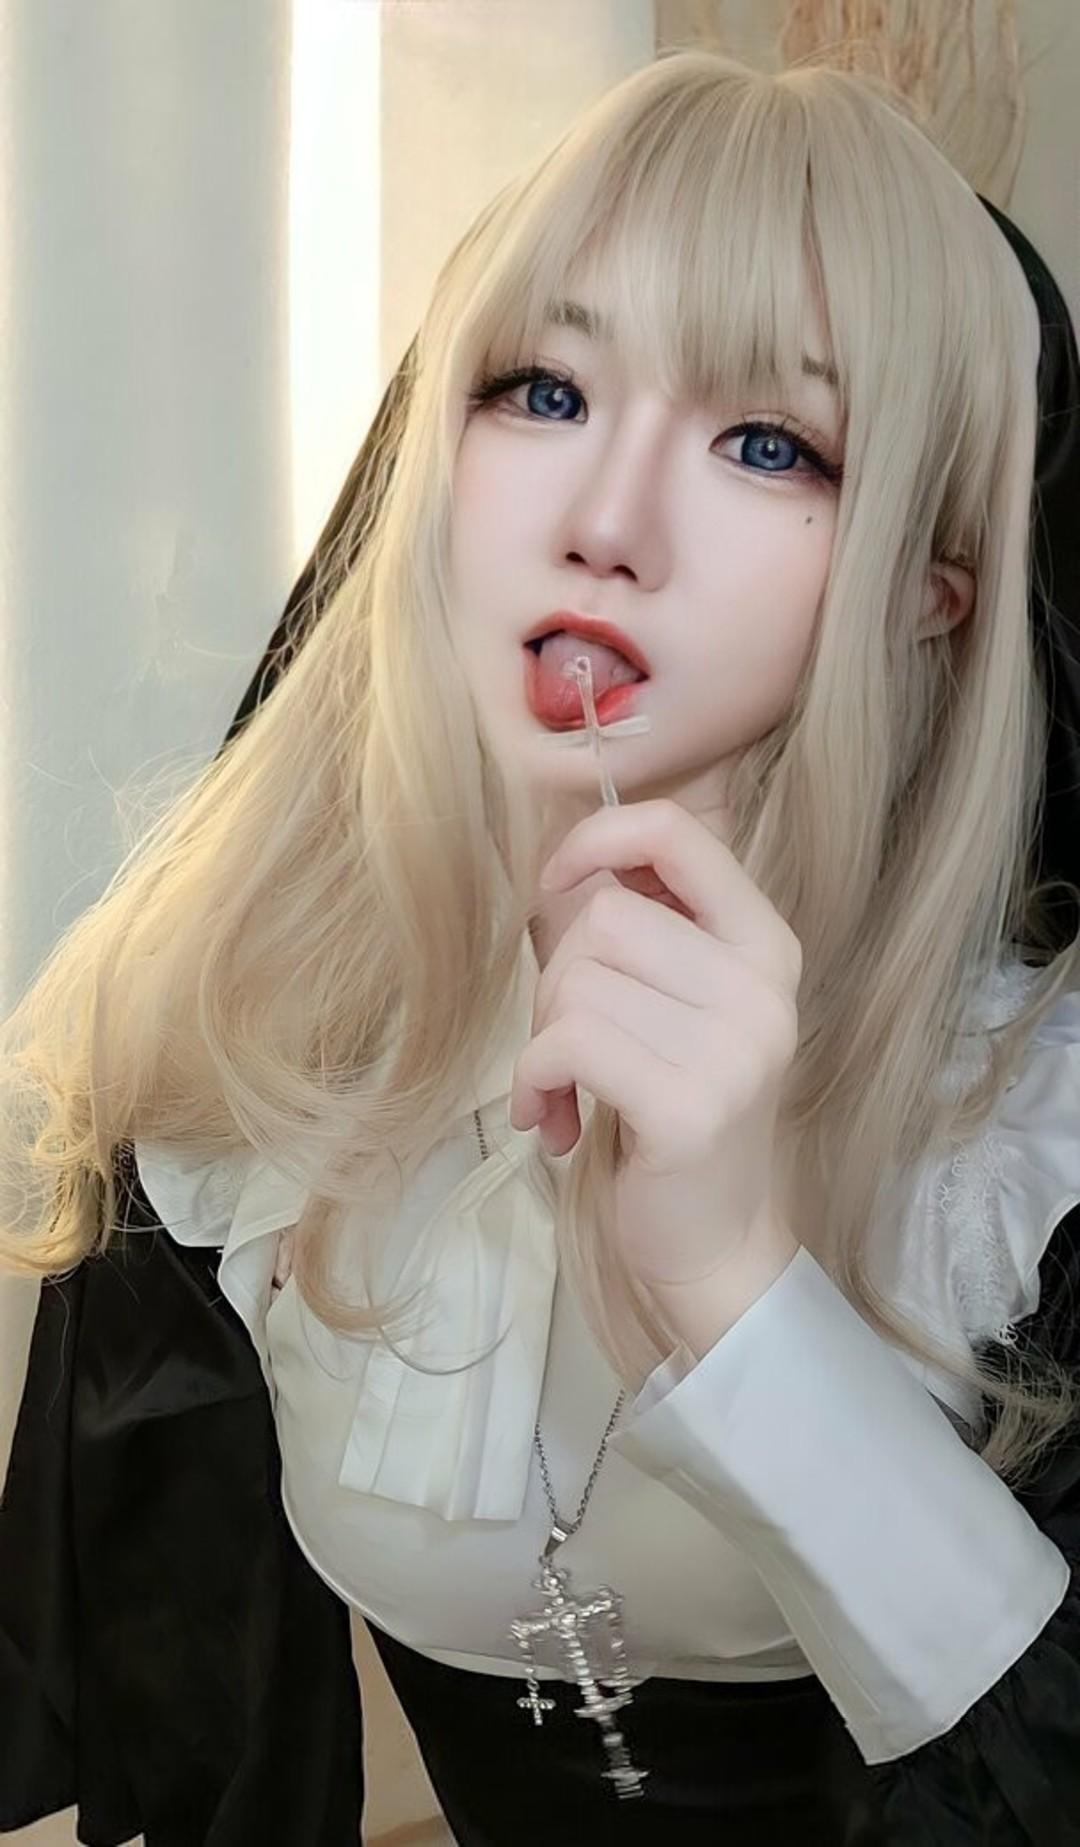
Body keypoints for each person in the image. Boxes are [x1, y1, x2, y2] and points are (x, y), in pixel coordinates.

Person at [4, 41, 1080, 1847]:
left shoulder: (1034, 1147)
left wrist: (738, 1288)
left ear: (930, 583)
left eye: (769, 443)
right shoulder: (239, 1053)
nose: (605, 523)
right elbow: (189, 1721)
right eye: (542, 390)